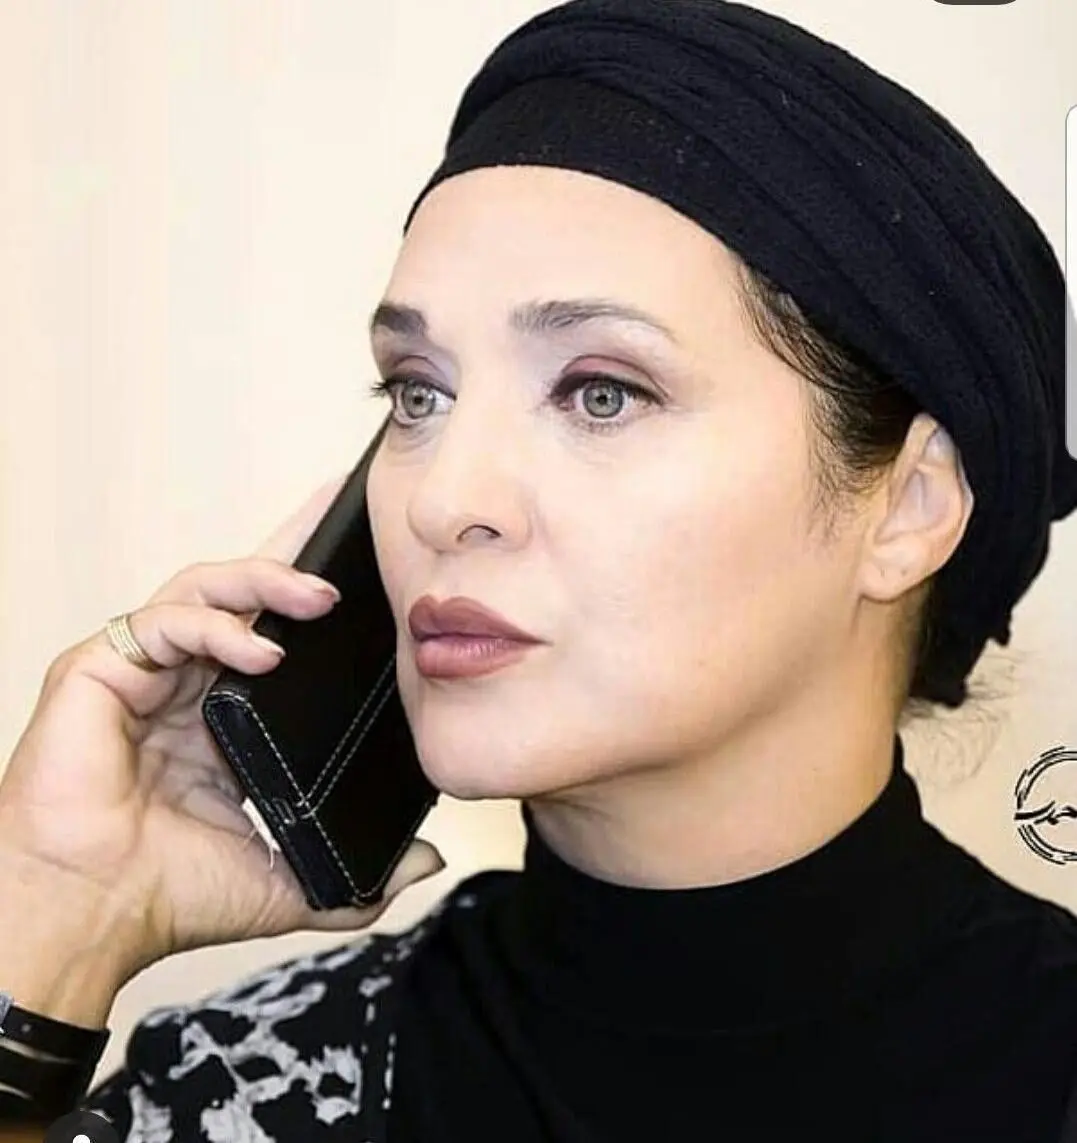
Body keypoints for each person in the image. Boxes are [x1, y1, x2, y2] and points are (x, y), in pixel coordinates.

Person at [2, 0, 1077, 1140]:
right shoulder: (239, 1092)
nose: (442, 500)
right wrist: (58, 911)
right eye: (418, 392)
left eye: (600, 391)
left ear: (908, 508)